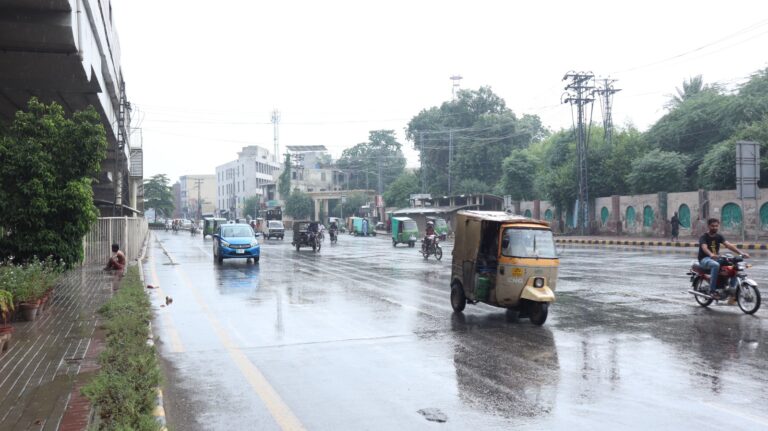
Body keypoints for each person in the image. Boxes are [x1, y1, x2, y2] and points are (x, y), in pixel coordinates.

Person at [698, 218, 749, 299]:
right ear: (708, 226)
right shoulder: (703, 237)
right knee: (716, 265)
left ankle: (731, 289)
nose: (714, 228)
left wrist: (741, 253)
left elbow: (728, 245)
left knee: (733, 264)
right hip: (705, 259)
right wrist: (711, 254)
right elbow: (704, 247)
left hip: (716, 258)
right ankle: (712, 291)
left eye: (716, 226)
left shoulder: (719, 236)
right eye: (712, 226)